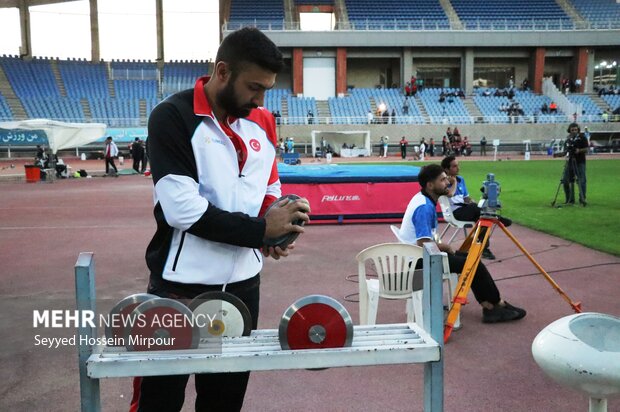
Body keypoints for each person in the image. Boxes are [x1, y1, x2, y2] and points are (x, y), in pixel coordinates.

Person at [134, 27, 311, 412]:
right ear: (222, 72)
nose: (261, 99)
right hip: (180, 288)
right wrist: (261, 230)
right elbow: (184, 211)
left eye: (266, 89)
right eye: (254, 87)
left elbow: (270, 184)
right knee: (159, 400)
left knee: (224, 400)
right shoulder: (172, 117)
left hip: (244, 286)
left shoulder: (261, 119)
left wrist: (274, 230)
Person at [398, 164, 526, 323]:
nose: (447, 183)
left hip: (419, 256)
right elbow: (424, 243)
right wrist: (446, 247)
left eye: (446, 179)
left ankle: (491, 305)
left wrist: (444, 248)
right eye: (442, 180)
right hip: (420, 260)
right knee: (473, 264)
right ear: (430, 185)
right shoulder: (424, 206)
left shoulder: (424, 199)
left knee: (470, 259)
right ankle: (494, 306)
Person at [441, 156, 513, 260]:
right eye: (454, 166)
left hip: (465, 210)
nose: (458, 168)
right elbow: (450, 195)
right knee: (481, 212)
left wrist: (471, 201)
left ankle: (484, 248)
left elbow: (465, 198)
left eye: (458, 165)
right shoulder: (444, 183)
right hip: (455, 213)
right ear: (447, 169)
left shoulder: (461, 179)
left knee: (481, 215)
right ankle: (496, 219)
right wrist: (454, 183)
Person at [562, 123, 588, 206]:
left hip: (580, 162)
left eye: (575, 130)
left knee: (582, 181)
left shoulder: (582, 138)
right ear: (569, 130)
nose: (574, 131)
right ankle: (569, 199)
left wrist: (579, 150)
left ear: (578, 130)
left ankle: (582, 199)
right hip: (569, 162)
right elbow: (566, 150)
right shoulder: (568, 140)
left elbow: (587, 149)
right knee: (566, 180)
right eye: (572, 130)